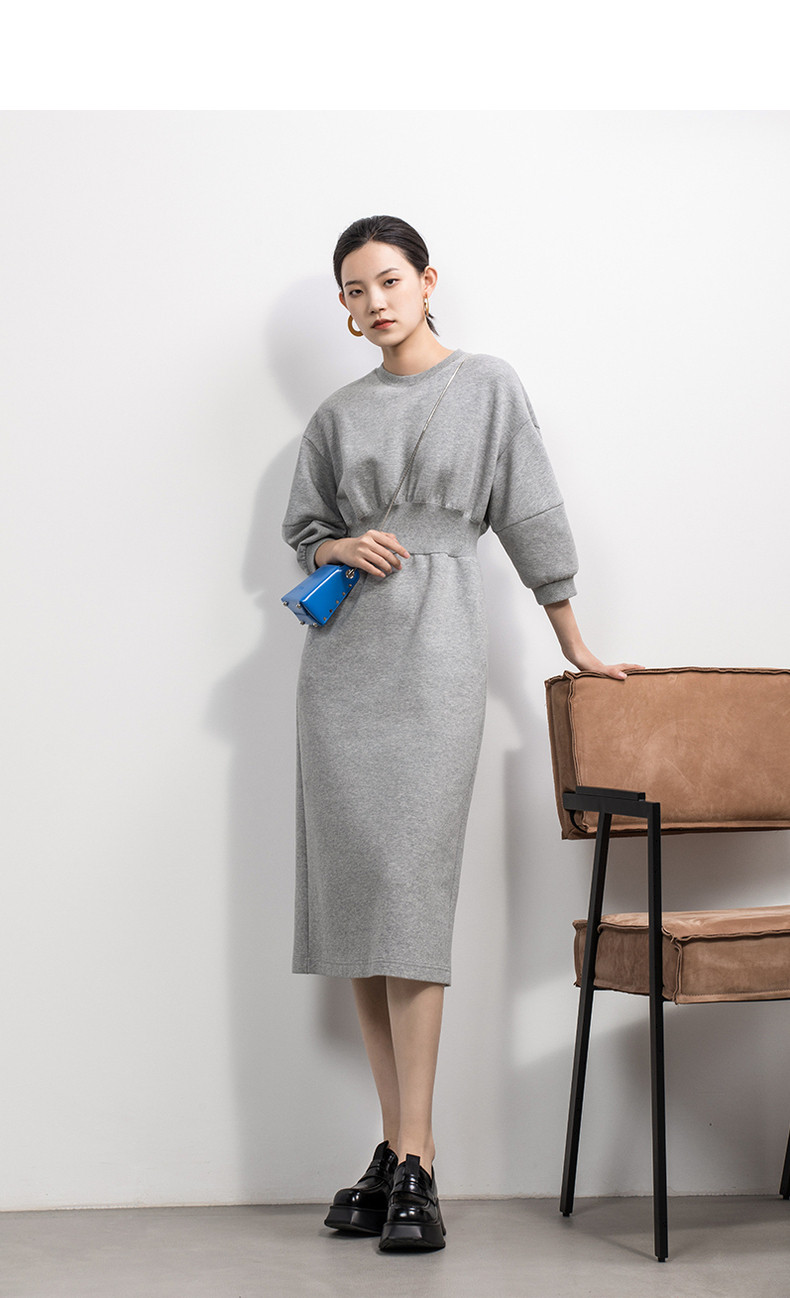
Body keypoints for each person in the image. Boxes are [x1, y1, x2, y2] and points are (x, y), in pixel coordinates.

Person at [281, 214, 642, 1252]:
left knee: (411, 895)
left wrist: (574, 639)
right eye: (356, 290)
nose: (375, 302)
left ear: (427, 280)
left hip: (437, 657)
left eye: (389, 280)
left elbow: (530, 513)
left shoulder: (486, 385)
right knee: (361, 906)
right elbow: (304, 529)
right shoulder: (336, 414)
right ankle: (395, 1148)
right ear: (344, 307)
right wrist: (338, 545)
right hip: (342, 672)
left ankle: (420, 1156)